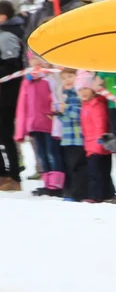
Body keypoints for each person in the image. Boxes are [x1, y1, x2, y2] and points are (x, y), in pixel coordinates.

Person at [16, 53, 64, 197]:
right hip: (35, 124)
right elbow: (23, 105)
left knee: (52, 153)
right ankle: (47, 183)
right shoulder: (28, 80)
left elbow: (58, 94)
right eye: (32, 59)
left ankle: (57, 185)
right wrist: (21, 129)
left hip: (50, 122)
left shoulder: (51, 77)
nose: (35, 62)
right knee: (41, 155)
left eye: (38, 59)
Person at [75, 71, 113, 202]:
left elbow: (100, 126)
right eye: (80, 89)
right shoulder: (85, 106)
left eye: (85, 88)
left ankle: (97, 195)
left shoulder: (97, 105)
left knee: (98, 173)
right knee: (95, 172)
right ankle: (104, 193)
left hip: (98, 146)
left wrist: (98, 144)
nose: (83, 92)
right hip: (90, 145)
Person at [0, 1, 25, 191]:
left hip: (7, 92)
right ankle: (3, 174)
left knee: (5, 134)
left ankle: (13, 176)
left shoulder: (8, 34)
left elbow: (12, 65)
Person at [57, 68, 87, 202]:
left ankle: (77, 193)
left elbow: (79, 115)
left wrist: (65, 109)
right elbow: (65, 119)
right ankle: (68, 191)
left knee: (77, 167)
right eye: (63, 78)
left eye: (70, 77)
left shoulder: (77, 95)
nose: (67, 80)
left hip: (78, 138)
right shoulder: (65, 95)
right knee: (68, 167)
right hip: (67, 138)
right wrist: (59, 114)